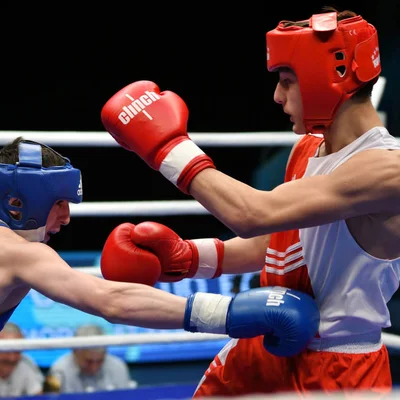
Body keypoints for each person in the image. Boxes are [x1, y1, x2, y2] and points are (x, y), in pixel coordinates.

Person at [0, 136, 319, 399]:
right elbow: (111, 300)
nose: (67, 218)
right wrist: (231, 312)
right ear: (19, 202)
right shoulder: (20, 253)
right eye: (58, 204)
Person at [99, 7, 400, 398]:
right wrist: (190, 257)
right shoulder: (309, 148)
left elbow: (253, 215)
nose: (277, 96)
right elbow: (276, 240)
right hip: (264, 342)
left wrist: (168, 149)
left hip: (336, 368)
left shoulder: (386, 169)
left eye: (287, 81)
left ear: (329, 79)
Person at [47, 324, 133, 394]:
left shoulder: (118, 367)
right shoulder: (56, 371)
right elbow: (48, 399)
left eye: (100, 361)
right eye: (88, 361)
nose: (94, 367)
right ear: (74, 351)